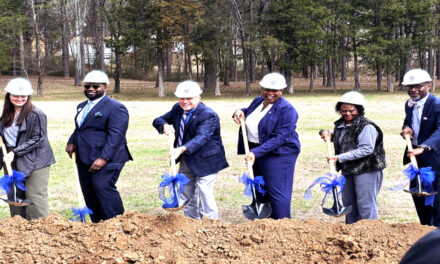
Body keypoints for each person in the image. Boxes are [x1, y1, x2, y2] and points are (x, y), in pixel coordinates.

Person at [152, 80, 228, 220]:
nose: (185, 101)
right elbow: (159, 119)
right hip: (187, 159)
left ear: (198, 98)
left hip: (207, 160)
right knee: (186, 191)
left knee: (204, 190)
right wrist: (163, 126)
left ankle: (211, 222)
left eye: (189, 98)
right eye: (182, 98)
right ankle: (192, 221)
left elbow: (202, 137)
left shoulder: (208, 115)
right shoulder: (177, 108)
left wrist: (181, 149)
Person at [66, 70, 132, 223]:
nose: (91, 89)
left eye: (96, 86)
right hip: (85, 156)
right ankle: (98, 225)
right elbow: (80, 128)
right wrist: (71, 141)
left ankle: (117, 223)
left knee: (102, 186)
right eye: (87, 86)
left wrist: (104, 158)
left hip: (109, 157)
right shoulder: (81, 106)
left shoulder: (116, 108)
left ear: (105, 88)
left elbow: (116, 136)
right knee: (88, 190)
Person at [232, 72, 300, 219]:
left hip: (280, 154)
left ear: (281, 91)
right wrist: (239, 111)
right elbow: (250, 113)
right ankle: (265, 225)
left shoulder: (287, 110)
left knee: (277, 192)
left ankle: (282, 225)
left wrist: (256, 152)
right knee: (261, 188)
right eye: (266, 89)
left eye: (275, 90)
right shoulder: (258, 101)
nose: (270, 93)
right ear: (261, 88)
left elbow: (280, 138)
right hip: (258, 151)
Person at [320, 91, 386, 224]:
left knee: (365, 204)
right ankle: (351, 232)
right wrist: (329, 134)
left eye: (351, 110)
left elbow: (366, 149)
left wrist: (339, 158)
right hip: (348, 170)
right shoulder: (342, 124)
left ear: (359, 110)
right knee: (349, 203)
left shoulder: (367, 126)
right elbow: (347, 138)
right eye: (343, 111)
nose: (347, 114)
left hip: (367, 169)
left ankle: (369, 232)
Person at [0, 78, 55, 220]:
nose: (19, 98)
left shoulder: (37, 114)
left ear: (28, 96)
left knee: (34, 195)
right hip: (11, 158)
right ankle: (20, 228)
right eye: (15, 95)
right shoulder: (7, 113)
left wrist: (15, 152)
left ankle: (39, 230)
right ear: (9, 95)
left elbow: (38, 138)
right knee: (15, 194)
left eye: (23, 96)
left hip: (36, 158)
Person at [400, 68, 440, 226]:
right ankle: (424, 228)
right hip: (416, 158)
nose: (413, 90)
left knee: (436, 198)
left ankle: (436, 235)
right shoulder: (409, 104)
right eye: (409, 87)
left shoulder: (437, 105)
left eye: (418, 86)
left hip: (435, 158)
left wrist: (423, 147)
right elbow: (408, 121)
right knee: (418, 193)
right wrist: (406, 128)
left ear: (429, 85)